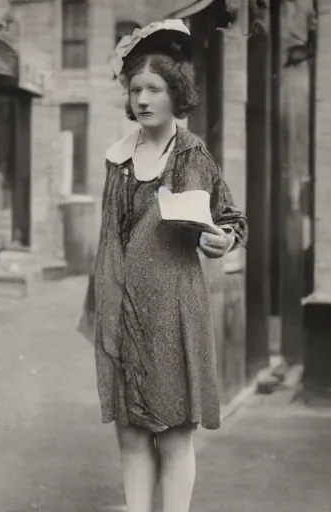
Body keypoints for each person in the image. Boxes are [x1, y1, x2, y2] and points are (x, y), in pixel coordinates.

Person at [77, 19, 248, 512]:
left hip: (171, 315)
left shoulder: (192, 154)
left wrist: (224, 240)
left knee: (173, 437)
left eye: (154, 89)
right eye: (135, 90)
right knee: (130, 437)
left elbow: (230, 219)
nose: (143, 99)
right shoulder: (119, 160)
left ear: (176, 93)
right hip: (119, 312)